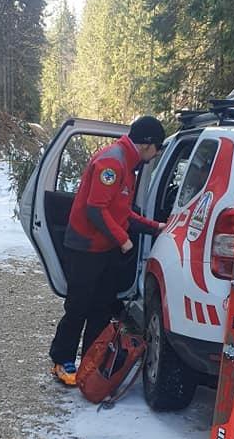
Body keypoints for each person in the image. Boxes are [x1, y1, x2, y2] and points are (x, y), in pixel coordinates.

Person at [49, 115, 167, 386]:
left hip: (105, 248)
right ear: (147, 144)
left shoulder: (128, 165)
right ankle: (62, 360)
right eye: (157, 149)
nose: (156, 154)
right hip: (85, 248)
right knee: (78, 306)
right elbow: (95, 209)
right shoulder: (112, 162)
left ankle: (92, 359)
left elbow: (122, 212)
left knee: (101, 308)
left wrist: (155, 227)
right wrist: (124, 239)